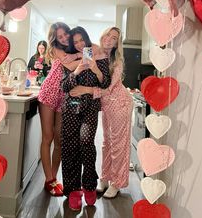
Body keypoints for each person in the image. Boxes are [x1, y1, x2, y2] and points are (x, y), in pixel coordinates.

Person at [70, 27, 133, 198]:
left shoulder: (117, 62)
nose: (109, 39)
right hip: (105, 106)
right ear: (102, 35)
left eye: (114, 38)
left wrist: (85, 90)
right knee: (107, 143)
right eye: (108, 35)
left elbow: (108, 89)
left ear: (117, 43)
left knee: (118, 145)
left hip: (120, 104)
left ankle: (117, 183)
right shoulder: (95, 53)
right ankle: (105, 178)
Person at [61, 26, 111, 211]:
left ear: (87, 39)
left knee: (87, 143)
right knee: (71, 146)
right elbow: (65, 87)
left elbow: (105, 82)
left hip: (90, 107)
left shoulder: (100, 56)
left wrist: (95, 68)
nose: (80, 44)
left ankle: (89, 185)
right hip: (72, 108)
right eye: (76, 42)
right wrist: (77, 71)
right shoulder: (69, 60)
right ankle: (73, 190)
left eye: (82, 40)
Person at [38, 22, 81, 197]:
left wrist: (79, 54)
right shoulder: (56, 49)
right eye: (60, 36)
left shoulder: (72, 50)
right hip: (49, 93)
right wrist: (82, 56)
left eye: (65, 35)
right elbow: (71, 67)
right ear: (55, 39)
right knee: (47, 137)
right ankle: (49, 180)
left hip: (64, 97)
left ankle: (53, 178)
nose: (63, 38)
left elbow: (90, 53)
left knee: (60, 141)